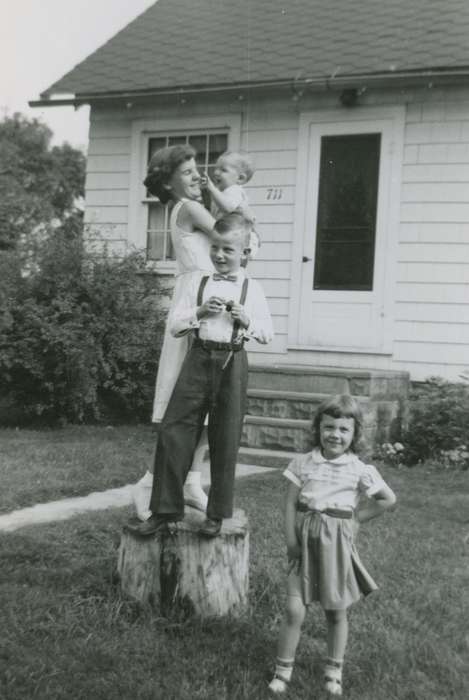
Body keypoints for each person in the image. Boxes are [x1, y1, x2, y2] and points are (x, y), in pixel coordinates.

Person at [134, 212, 273, 538]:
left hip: (232, 362)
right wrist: (198, 312)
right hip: (197, 358)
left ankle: (217, 513)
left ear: (245, 254)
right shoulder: (198, 282)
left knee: (225, 437)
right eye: (216, 247)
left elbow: (267, 333)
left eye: (228, 249)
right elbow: (176, 325)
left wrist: (246, 319)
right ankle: (165, 509)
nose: (220, 255)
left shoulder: (253, 289)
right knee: (173, 430)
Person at [268, 395, 396, 697]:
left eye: (343, 429)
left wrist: (357, 519)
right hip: (306, 540)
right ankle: (283, 669)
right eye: (328, 427)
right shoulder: (303, 463)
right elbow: (289, 503)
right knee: (293, 608)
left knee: (336, 610)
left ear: (354, 434)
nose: (335, 435)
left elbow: (388, 499)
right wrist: (291, 540)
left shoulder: (358, 469)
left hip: (337, 546)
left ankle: (333, 670)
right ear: (318, 428)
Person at [132, 144, 216, 521]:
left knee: (207, 402)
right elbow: (232, 237)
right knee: (183, 401)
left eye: (198, 168)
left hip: (213, 300)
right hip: (195, 304)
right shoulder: (189, 208)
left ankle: (192, 479)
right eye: (187, 172)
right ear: (169, 182)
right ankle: (150, 480)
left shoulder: (193, 207)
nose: (197, 175)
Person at [203, 150, 260, 263]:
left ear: (240, 178)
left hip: (239, 236)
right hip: (231, 236)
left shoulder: (234, 190)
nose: (216, 173)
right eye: (216, 168)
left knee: (234, 265)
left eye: (223, 170)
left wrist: (211, 188)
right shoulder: (222, 192)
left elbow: (228, 208)